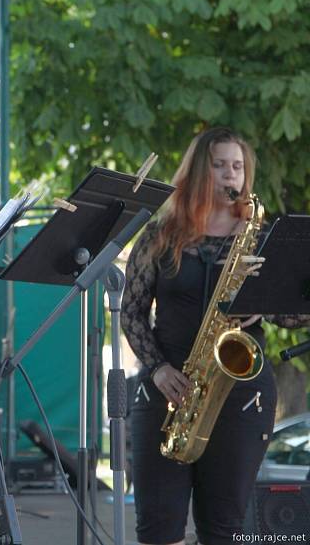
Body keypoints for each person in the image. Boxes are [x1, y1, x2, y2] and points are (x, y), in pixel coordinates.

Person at [120, 126, 310, 545]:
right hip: (168, 389)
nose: (230, 176)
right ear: (197, 171)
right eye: (219, 165)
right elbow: (132, 311)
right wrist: (156, 369)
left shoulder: (261, 238)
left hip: (242, 395)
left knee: (225, 528)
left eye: (237, 167)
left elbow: (299, 316)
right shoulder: (160, 234)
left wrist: (268, 301)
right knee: (158, 528)